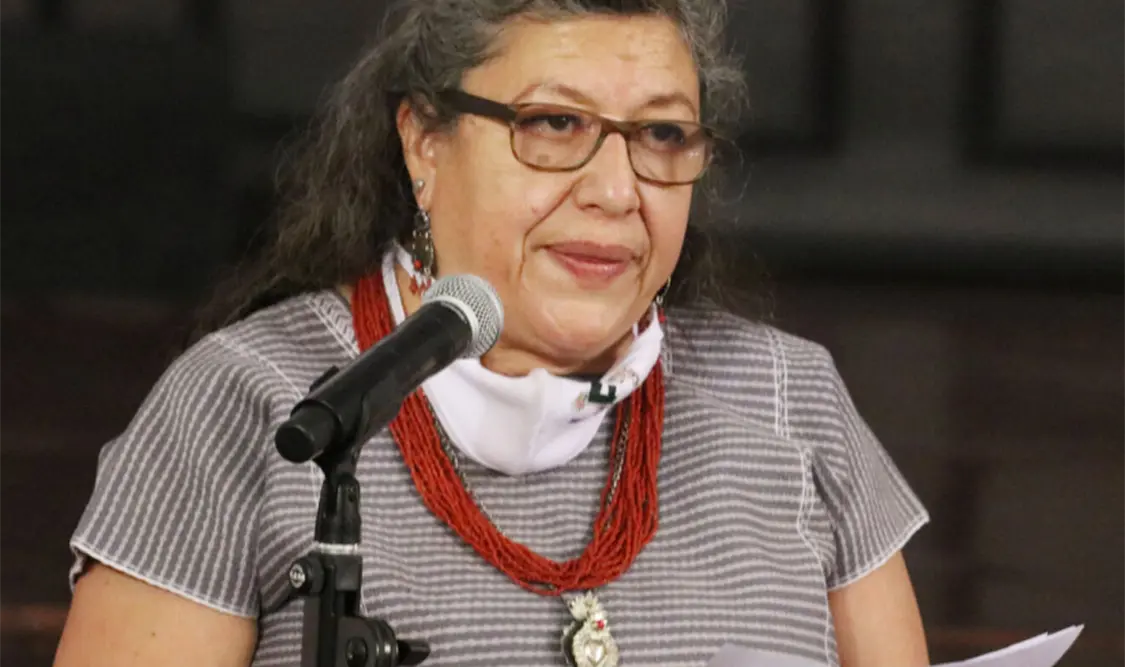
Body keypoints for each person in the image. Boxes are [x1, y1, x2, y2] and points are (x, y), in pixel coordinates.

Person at [53, 1, 931, 666]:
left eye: (662, 134)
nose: (615, 191)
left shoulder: (788, 399)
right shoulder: (250, 404)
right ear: (423, 143)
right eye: (554, 124)